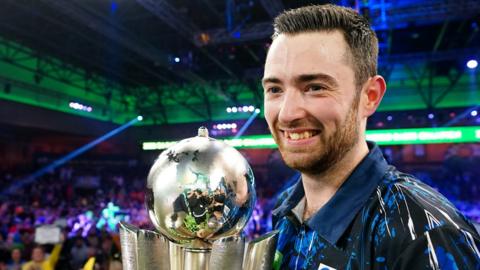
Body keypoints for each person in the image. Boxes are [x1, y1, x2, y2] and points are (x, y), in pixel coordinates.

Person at [262, 4, 480, 269]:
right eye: (274, 89)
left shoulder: (426, 235)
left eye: (315, 87)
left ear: (370, 96)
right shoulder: (286, 207)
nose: (287, 113)